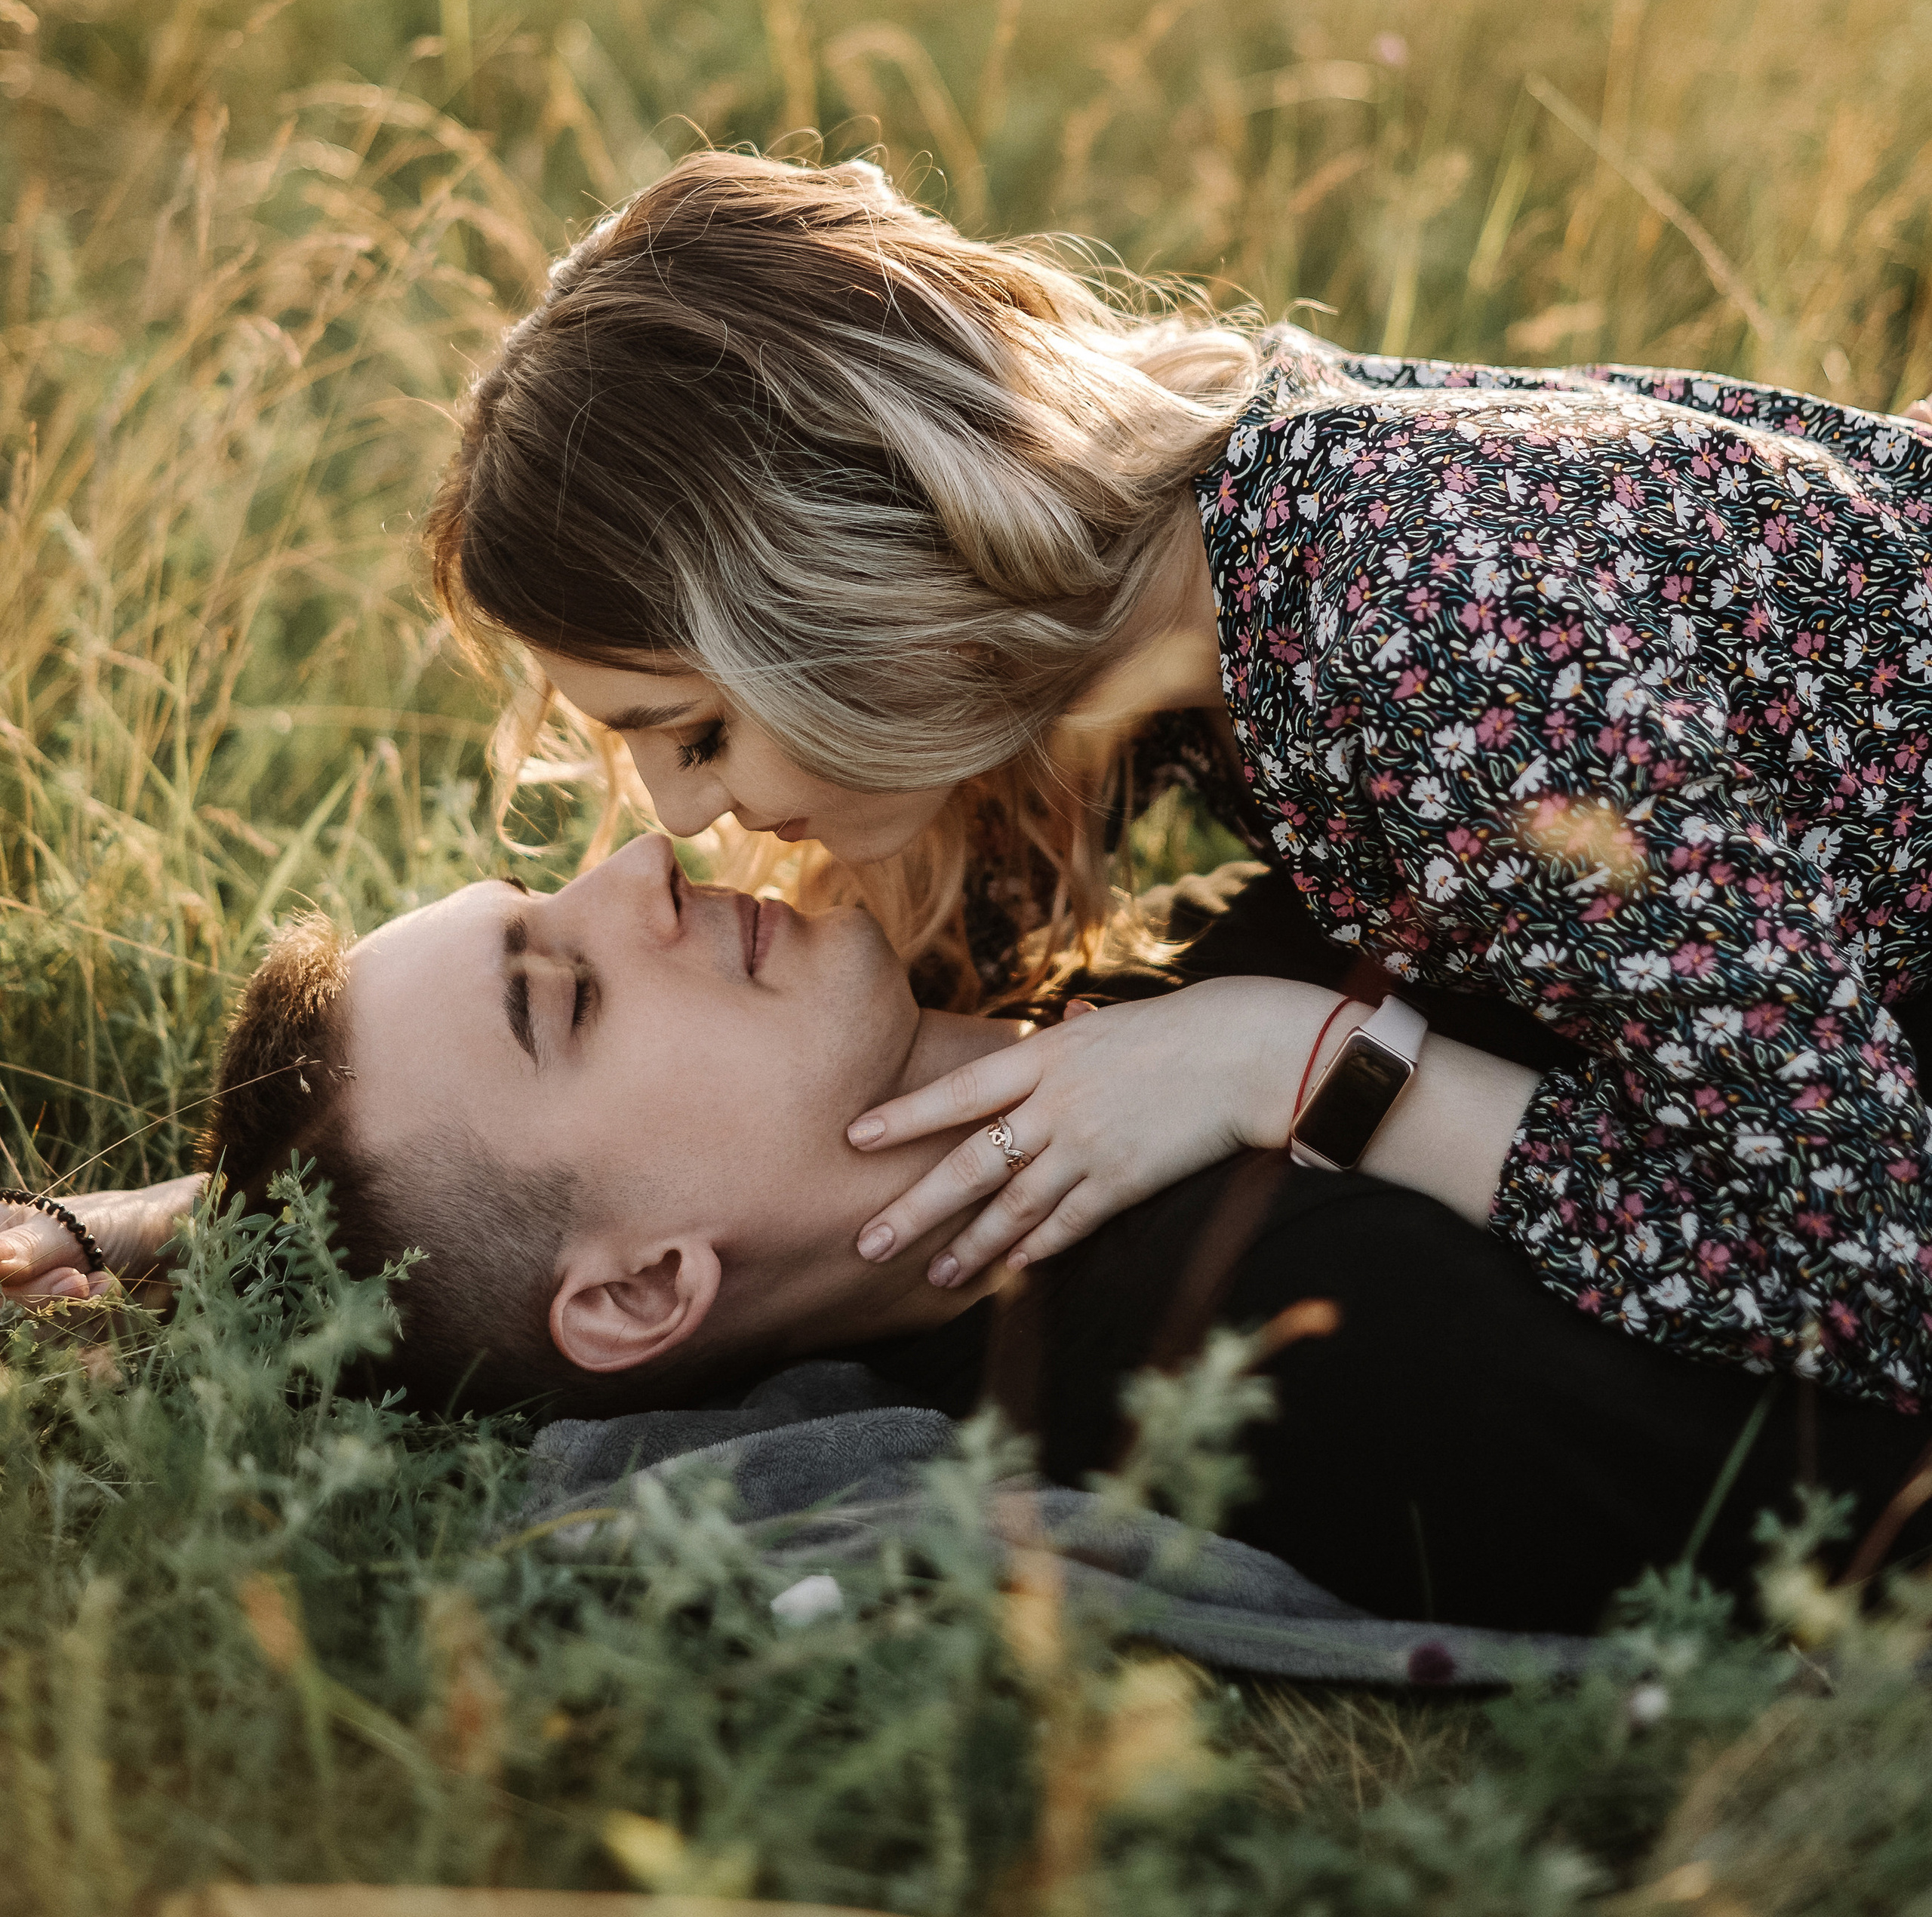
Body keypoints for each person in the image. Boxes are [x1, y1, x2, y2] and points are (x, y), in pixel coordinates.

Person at [420, 151, 1932, 1412]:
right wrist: (298, 1204)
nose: (680, 824)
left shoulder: (1425, 632)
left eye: (694, 734)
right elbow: (934, 991)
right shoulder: (1195, 551)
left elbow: (1869, 1265)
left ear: (856, 599)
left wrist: (1295, 1062)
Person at [18, 837, 1930, 1639]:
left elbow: (425, 1203)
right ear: (641, 1290)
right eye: (567, 992)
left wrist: (167, 1231)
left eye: (559, 886)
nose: (639, 871)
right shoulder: (1249, 1332)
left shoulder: (1073, 1017)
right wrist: (1323, 1075)